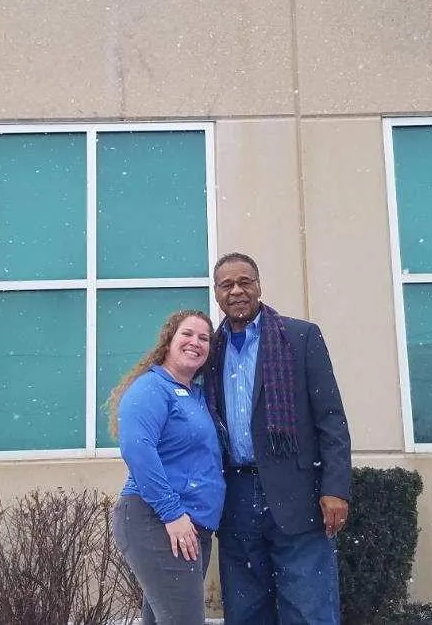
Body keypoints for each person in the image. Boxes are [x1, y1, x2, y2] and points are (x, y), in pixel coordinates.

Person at [203, 252, 353, 625]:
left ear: (259, 285)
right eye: (227, 285)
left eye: (245, 282)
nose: (237, 290)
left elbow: (331, 418)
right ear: (217, 294)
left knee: (308, 609)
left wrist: (336, 488)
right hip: (234, 496)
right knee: (246, 612)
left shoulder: (300, 337)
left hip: (297, 493)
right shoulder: (208, 350)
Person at [108, 309, 226, 625]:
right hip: (156, 520)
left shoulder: (196, 396)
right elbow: (137, 449)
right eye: (187, 334)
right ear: (169, 340)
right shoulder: (151, 388)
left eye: (204, 338)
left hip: (191, 525)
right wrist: (171, 513)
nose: (195, 342)